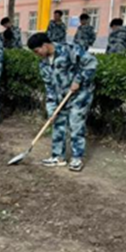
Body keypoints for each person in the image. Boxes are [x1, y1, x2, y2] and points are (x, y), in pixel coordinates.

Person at [27, 33, 98, 172]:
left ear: (45, 45)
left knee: (75, 124)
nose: (37, 54)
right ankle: (58, 156)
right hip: (61, 98)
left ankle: (77, 158)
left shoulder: (70, 50)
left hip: (80, 95)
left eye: (37, 51)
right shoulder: (44, 63)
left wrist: (78, 80)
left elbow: (92, 63)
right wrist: (51, 108)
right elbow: (49, 87)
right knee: (58, 123)